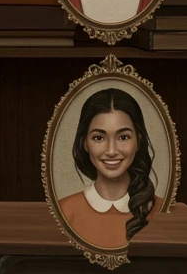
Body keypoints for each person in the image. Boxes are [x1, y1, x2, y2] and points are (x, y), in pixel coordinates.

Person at [58, 87, 163, 249]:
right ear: (85, 143)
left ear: (138, 141)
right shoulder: (63, 212)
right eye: (99, 138)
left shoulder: (163, 211)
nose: (112, 151)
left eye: (123, 137)